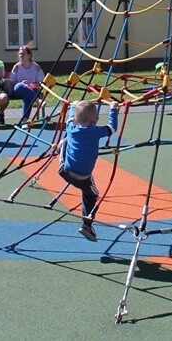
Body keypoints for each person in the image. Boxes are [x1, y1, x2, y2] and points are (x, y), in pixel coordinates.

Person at [59, 99, 120, 241]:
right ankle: (87, 224)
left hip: (65, 171)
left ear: (75, 119)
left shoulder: (71, 127)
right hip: (84, 177)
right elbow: (112, 128)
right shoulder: (95, 131)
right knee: (92, 195)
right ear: (96, 119)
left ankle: (61, 145)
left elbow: (70, 118)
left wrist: (73, 105)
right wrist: (113, 109)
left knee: (65, 141)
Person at [9, 45, 45, 122]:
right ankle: (38, 101)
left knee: (27, 96)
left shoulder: (36, 66)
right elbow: (11, 81)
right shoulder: (17, 67)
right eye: (20, 54)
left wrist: (31, 84)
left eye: (23, 54)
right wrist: (22, 83)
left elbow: (41, 81)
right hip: (19, 90)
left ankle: (24, 120)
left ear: (29, 55)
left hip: (33, 89)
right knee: (20, 86)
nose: (21, 56)